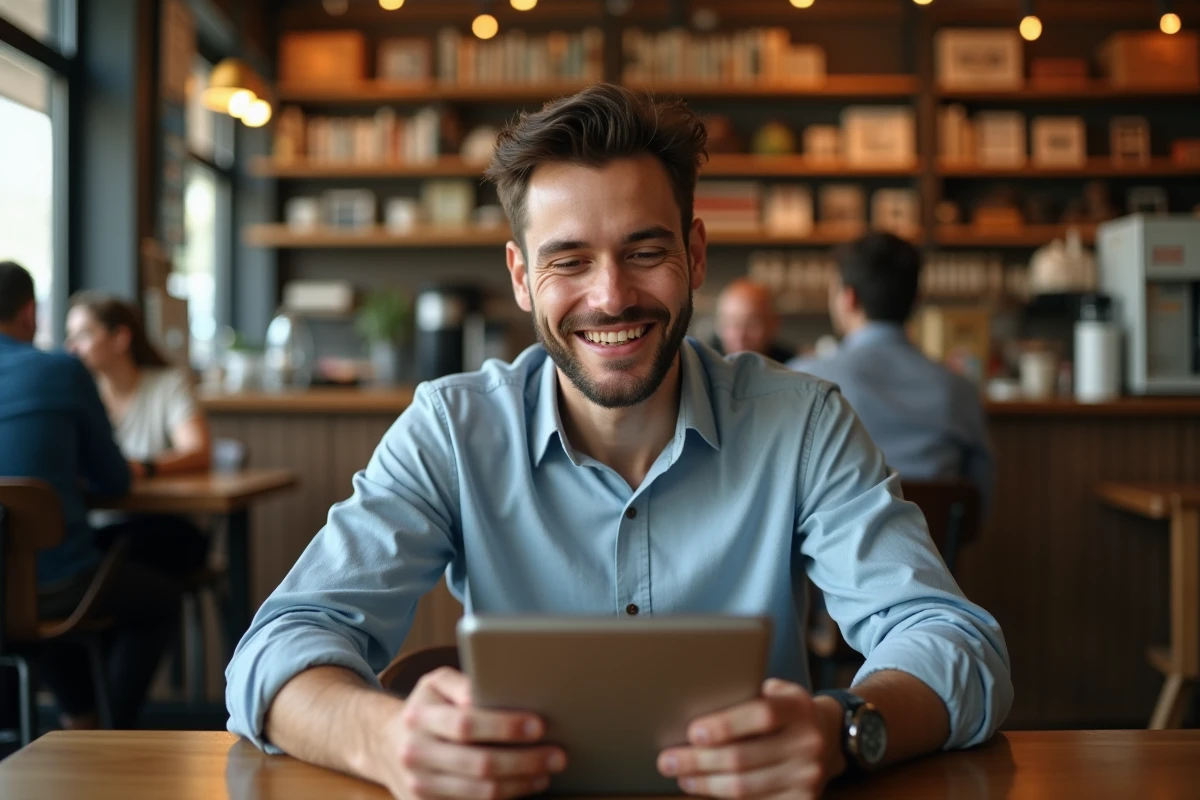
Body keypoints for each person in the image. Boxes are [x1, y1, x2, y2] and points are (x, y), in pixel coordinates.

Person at [226, 85, 1011, 800]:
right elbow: (275, 650)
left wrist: (843, 730)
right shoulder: (453, 428)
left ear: (695, 254)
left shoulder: (802, 420)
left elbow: (956, 644)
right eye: (569, 260)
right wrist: (386, 738)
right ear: (521, 277)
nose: (611, 297)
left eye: (645, 252)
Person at [0, 262, 181, 729]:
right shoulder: (60, 371)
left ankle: (75, 719)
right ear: (29, 313)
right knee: (156, 597)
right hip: (52, 586)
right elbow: (115, 481)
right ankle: (109, 729)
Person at [787, 233, 994, 512]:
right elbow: (978, 506)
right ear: (917, 300)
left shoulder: (804, 380)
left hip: (831, 553)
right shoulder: (960, 390)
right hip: (933, 552)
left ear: (849, 298)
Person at [65, 292, 211, 577]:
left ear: (120, 338)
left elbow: (198, 450)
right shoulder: (80, 394)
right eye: (69, 337)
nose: (71, 348)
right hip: (97, 526)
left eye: (83, 335)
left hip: (158, 526)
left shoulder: (168, 385)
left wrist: (143, 468)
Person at [710, 278, 795, 363]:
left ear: (773, 324)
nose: (740, 335)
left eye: (751, 324)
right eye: (731, 323)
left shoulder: (793, 367)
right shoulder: (705, 365)